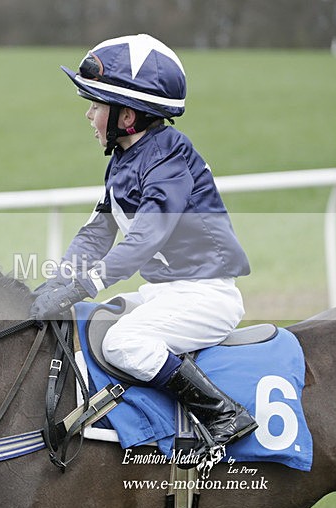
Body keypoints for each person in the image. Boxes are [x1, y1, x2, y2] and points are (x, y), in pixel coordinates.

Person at [30, 34, 257, 449]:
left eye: (96, 105)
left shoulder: (169, 159)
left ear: (127, 116)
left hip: (206, 297)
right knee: (93, 320)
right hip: (167, 292)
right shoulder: (125, 158)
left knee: (123, 343)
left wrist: (83, 284)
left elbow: (145, 239)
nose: (88, 114)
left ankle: (223, 413)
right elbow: (96, 233)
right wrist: (61, 279)